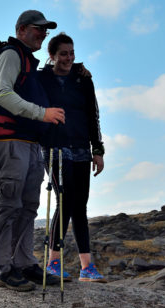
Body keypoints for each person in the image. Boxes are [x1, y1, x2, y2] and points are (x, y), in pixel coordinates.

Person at [0, 10, 66, 291]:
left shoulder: (29, 62)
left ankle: (23, 262)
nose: (43, 34)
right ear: (21, 29)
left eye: (45, 30)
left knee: (28, 206)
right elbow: (2, 93)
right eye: (38, 29)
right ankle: (3, 269)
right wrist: (41, 113)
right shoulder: (10, 54)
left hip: (31, 145)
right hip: (9, 142)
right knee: (8, 205)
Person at [38, 32, 106, 282]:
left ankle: (87, 268)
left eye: (72, 53)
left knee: (80, 206)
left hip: (81, 148)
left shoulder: (83, 80)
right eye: (63, 53)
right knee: (63, 200)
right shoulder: (42, 78)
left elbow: (93, 115)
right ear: (52, 55)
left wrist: (97, 150)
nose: (69, 58)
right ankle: (53, 262)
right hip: (54, 147)